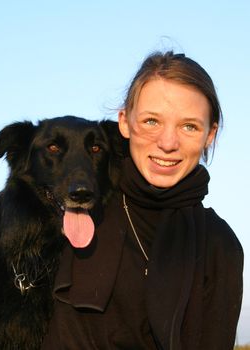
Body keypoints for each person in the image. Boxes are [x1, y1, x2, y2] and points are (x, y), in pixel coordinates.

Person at [41, 51, 243, 350]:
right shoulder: (71, 205)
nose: (168, 143)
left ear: (210, 134)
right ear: (124, 121)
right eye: (151, 121)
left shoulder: (219, 244)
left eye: (189, 126)